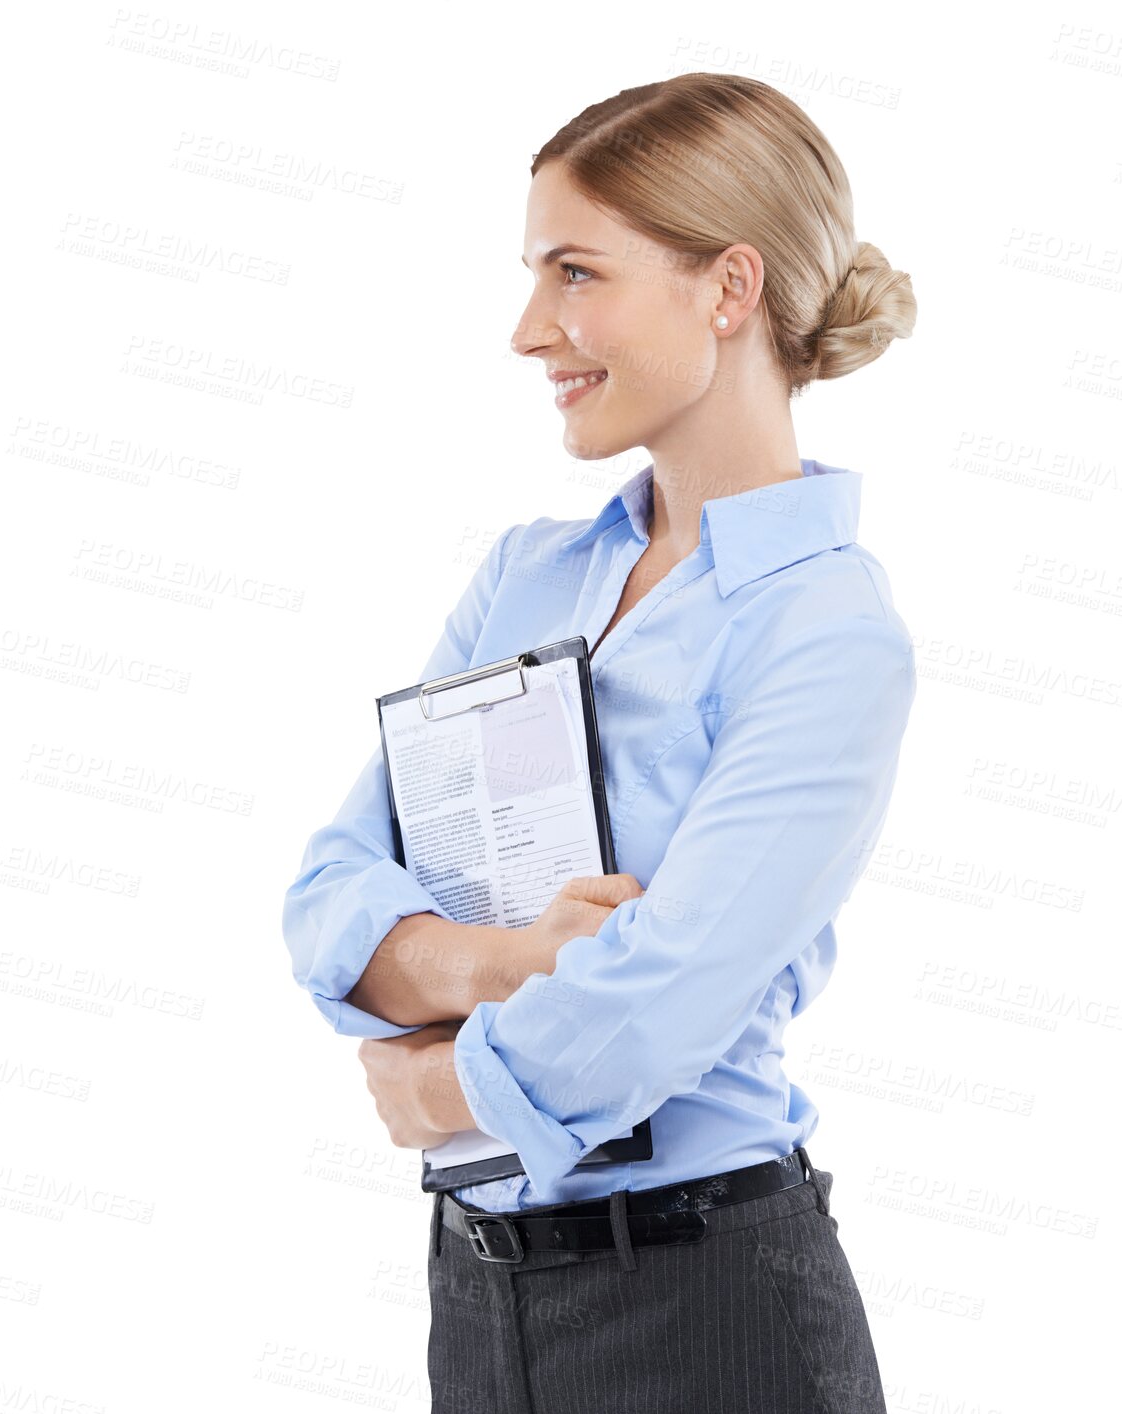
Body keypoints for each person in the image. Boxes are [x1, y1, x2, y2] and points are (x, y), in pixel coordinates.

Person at [281, 71, 918, 1414]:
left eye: (576, 272)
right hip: (480, 1291)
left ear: (726, 288)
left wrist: (440, 1080)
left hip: (709, 1308)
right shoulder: (522, 576)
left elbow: (665, 994)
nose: (529, 329)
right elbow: (331, 891)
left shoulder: (826, 630)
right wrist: (517, 958)